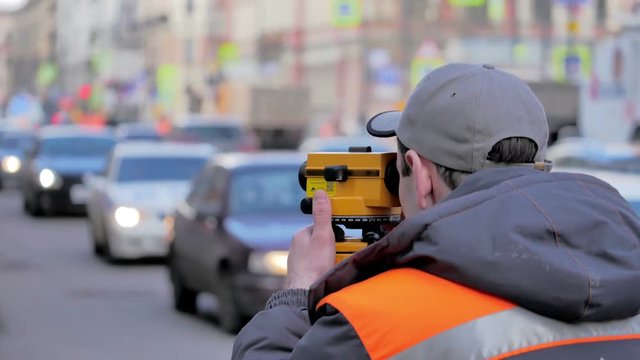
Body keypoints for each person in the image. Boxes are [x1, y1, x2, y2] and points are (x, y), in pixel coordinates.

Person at [232, 63, 640, 359]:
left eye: (397, 170)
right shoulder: (627, 266)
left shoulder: (374, 322)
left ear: (419, 175)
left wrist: (298, 292)